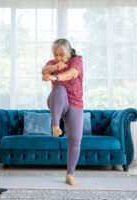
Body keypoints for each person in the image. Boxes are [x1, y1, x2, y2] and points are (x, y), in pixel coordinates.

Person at [42, 38, 83, 186]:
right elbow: (43, 71)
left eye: (62, 54)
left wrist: (55, 76)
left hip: (75, 104)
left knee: (75, 140)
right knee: (59, 88)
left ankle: (70, 175)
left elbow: (72, 74)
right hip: (56, 102)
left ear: (70, 53)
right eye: (56, 54)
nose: (58, 57)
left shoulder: (76, 61)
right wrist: (52, 68)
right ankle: (55, 125)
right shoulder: (52, 63)